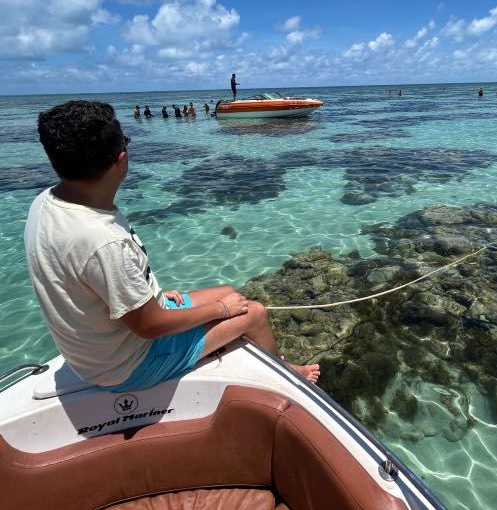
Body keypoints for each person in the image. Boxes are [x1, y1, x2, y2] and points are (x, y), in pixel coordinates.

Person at [24, 101, 319, 393]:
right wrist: (219, 310)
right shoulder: (102, 241)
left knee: (230, 292)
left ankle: (255, 349)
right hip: (129, 365)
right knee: (252, 312)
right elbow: (149, 326)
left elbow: (92, 282)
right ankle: (285, 377)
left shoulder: (47, 202)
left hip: (102, 349)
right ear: (122, 159)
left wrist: (151, 295)